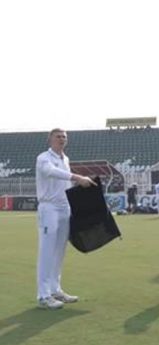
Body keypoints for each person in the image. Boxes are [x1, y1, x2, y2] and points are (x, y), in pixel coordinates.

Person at [35, 128, 96, 309]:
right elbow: (50, 172)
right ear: (50, 140)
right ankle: (43, 295)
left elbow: (65, 182)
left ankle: (55, 289)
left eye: (64, 137)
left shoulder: (66, 159)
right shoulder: (43, 158)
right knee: (47, 251)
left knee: (59, 251)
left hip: (64, 207)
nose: (61, 139)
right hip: (49, 208)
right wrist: (77, 177)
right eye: (58, 136)